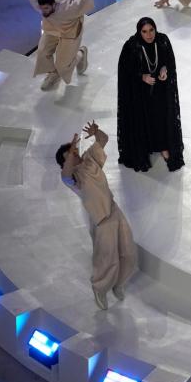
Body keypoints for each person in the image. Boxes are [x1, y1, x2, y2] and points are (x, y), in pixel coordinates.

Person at [56, 121, 138, 310]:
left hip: (114, 210)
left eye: (74, 151)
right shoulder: (72, 179)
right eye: (70, 154)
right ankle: (99, 289)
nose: (75, 154)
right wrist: (69, 153)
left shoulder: (89, 159)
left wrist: (96, 132)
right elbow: (65, 173)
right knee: (107, 259)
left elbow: (103, 139)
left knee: (129, 253)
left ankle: (118, 283)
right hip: (101, 221)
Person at [27, 0, 107, 91]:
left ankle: (81, 54)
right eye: (41, 9)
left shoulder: (69, 8)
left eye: (46, 8)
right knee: (42, 52)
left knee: (63, 64)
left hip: (70, 30)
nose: (43, 12)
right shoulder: (37, 0)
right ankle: (53, 74)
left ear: (53, 4)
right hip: (52, 28)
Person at [117, 17, 184, 172]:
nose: (149, 35)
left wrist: (164, 70)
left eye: (151, 30)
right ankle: (145, 147)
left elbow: (170, 61)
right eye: (144, 31)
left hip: (160, 90)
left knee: (161, 118)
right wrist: (142, 77)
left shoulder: (162, 41)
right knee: (144, 120)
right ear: (139, 32)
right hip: (140, 94)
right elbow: (125, 71)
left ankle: (163, 146)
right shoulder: (132, 46)